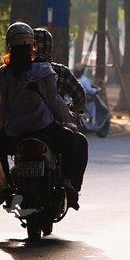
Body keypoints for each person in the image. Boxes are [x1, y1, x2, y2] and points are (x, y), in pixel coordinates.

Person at [0, 21, 80, 209]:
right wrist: (70, 118)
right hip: (43, 127)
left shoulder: (4, 74)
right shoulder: (43, 70)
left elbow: (1, 107)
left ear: (9, 46)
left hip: (15, 132)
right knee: (70, 140)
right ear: (32, 46)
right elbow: (53, 101)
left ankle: (5, 185)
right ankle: (68, 184)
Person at [33, 27, 89, 198]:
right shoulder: (55, 72)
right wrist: (72, 113)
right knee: (77, 141)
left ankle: (4, 184)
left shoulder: (14, 70)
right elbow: (73, 96)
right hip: (49, 127)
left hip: (16, 127)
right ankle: (69, 185)